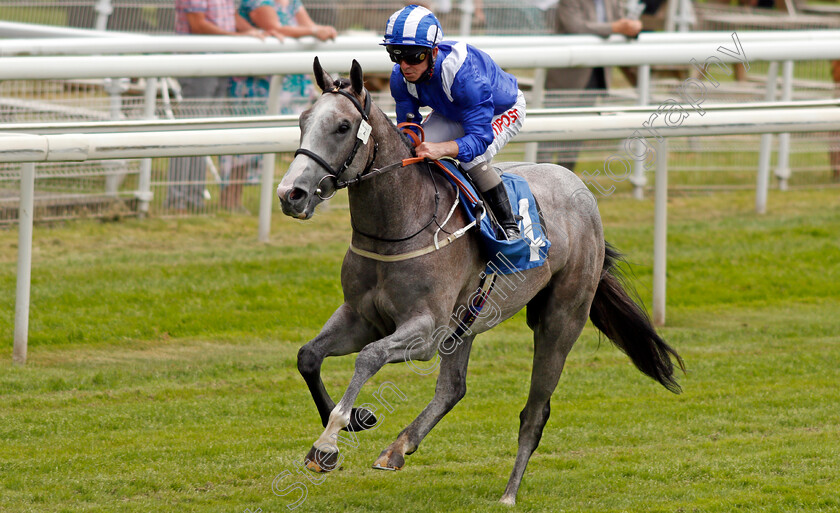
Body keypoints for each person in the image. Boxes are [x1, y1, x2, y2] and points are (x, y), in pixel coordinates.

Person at [383, 4, 524, 240]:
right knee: (410, 151)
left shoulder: (466, 76)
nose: (405, 65)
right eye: (396, 55)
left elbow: (479, 138)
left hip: (500, 111)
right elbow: (407, 129)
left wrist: (443, 148)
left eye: (413, 56)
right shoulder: (400, 78)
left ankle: (509, 226)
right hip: (453, 111)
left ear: (434, 52)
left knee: (470, 159)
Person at [219, 0, 337, 211]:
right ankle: (229, 200)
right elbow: (277, 27)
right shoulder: (257, 2)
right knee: (247, 144)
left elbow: (307, 26)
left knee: (308, 143)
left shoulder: (292, 2)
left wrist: (316, 30)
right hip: (257, 86)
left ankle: (309, 195)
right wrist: (314, 31)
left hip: (289, 83)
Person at [167, 0, 265, 211]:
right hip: (198, 65)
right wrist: (237, 38)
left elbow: (230, 18)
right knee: (188, 132)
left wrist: (254, 32)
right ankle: (177, 200)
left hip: (220, 63)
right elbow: (198, 25)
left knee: (203, 133)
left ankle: (193, 199)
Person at [541, 0, 642, 171]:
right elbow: (577, 27)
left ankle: (566, 178)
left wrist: (633, 27)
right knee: (551, 131)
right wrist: (615, 28)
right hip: (568, 77)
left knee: (578, 131)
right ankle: (539, 178)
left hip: (597, 74)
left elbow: (620, 25)